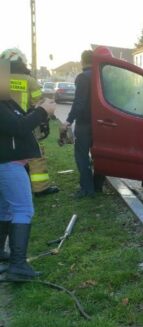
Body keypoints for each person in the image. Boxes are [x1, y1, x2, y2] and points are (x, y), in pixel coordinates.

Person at [0, 59, 56, 279]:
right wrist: (42, 111)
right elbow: (18, 127)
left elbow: (19, 119)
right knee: (24, 210)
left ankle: (4, 257)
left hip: (9, 163)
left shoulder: (5, 102)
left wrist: (36, 111)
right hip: (8, 165)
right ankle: (18, 265)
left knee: (5, 209)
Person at [0, 48, 60, 197]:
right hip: (26, 122)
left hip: (5, 123)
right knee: (36, 155)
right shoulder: (29, 81)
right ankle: (40, 188)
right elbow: (39, 102)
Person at [61, 50, 104, 198]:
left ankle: (86, 189)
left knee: (82, 156)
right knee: (99, 156)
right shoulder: (102, 76)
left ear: (82, 61)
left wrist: (68, 120)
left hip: (85, 124)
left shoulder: (83, 77)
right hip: (102, 124)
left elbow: (79, 103)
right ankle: (98, 186)